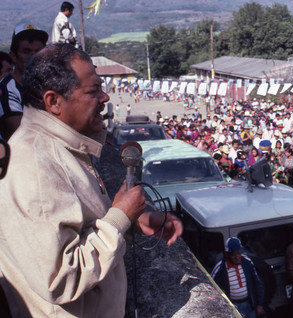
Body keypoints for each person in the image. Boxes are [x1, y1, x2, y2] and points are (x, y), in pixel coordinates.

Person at [0, 44, 182, 316]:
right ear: (53, 102)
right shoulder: (35, 166)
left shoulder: (60, 147)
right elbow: (60, 278)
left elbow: (79, 228)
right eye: (92, 90)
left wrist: (132, 221)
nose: (105, 97)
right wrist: (119, 217)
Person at [0, 23, 48, 140]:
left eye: (38, 51)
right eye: (26, 51)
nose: (33, 56)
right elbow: (23, 133)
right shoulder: (6, 90)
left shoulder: (50, 84)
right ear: (13, 56)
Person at [211, 237, 265, 318]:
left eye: (239, 253)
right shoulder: (220, 267)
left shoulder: (247, 262)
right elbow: (211, 287)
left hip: (249, 304)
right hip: (233, 306)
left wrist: (260, 304)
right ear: (227, 254)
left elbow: (257, 284)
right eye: (233, 254)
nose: (237, 257)